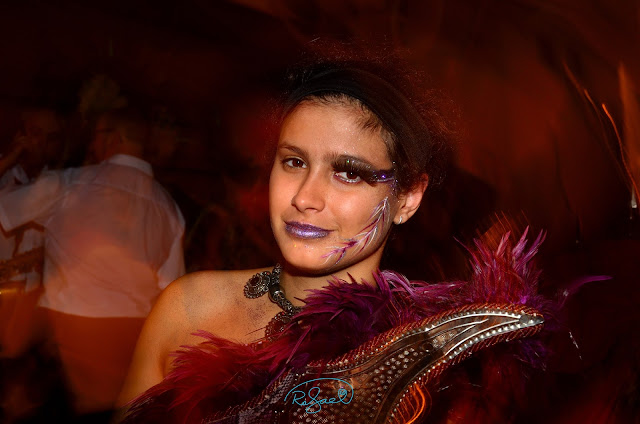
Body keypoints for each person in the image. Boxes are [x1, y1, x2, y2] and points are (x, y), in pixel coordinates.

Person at [118, 51, 547, 423]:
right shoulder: (187, 308)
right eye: (294, 162)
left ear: (408, 198)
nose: (305, 197)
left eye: (348, 173)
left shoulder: (437, 364)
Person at [0, 108, 186, 418]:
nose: (92, 144)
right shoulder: (168, 207)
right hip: (128, 345)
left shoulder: (71, 184)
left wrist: (9, 158)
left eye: (97, 135)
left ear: (114, 139)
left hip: (70, 342)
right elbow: (171, 290)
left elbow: (4, 209)